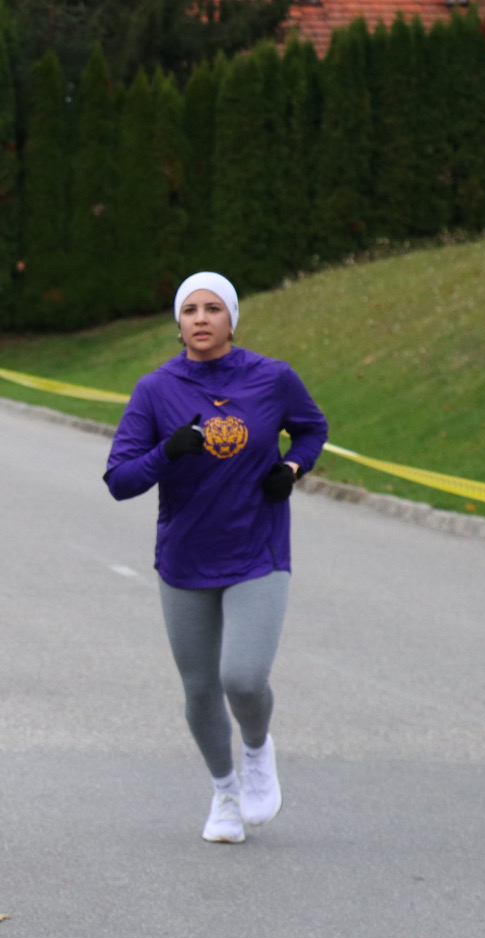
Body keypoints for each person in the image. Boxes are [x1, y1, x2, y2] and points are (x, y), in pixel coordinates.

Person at [103, 271, 328, 844]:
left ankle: (256, 750)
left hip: (258, 548)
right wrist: (167, 451)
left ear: (231, 319)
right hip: (185, 556)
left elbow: (311, 428)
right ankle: (225, 792)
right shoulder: (156, 389)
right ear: (178, 324)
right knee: (201, 688)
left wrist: (292, 468)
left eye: (212, 309)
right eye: (189, 310)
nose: (200, 319)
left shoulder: (272, 378)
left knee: (243, 678)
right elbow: (121, 479)